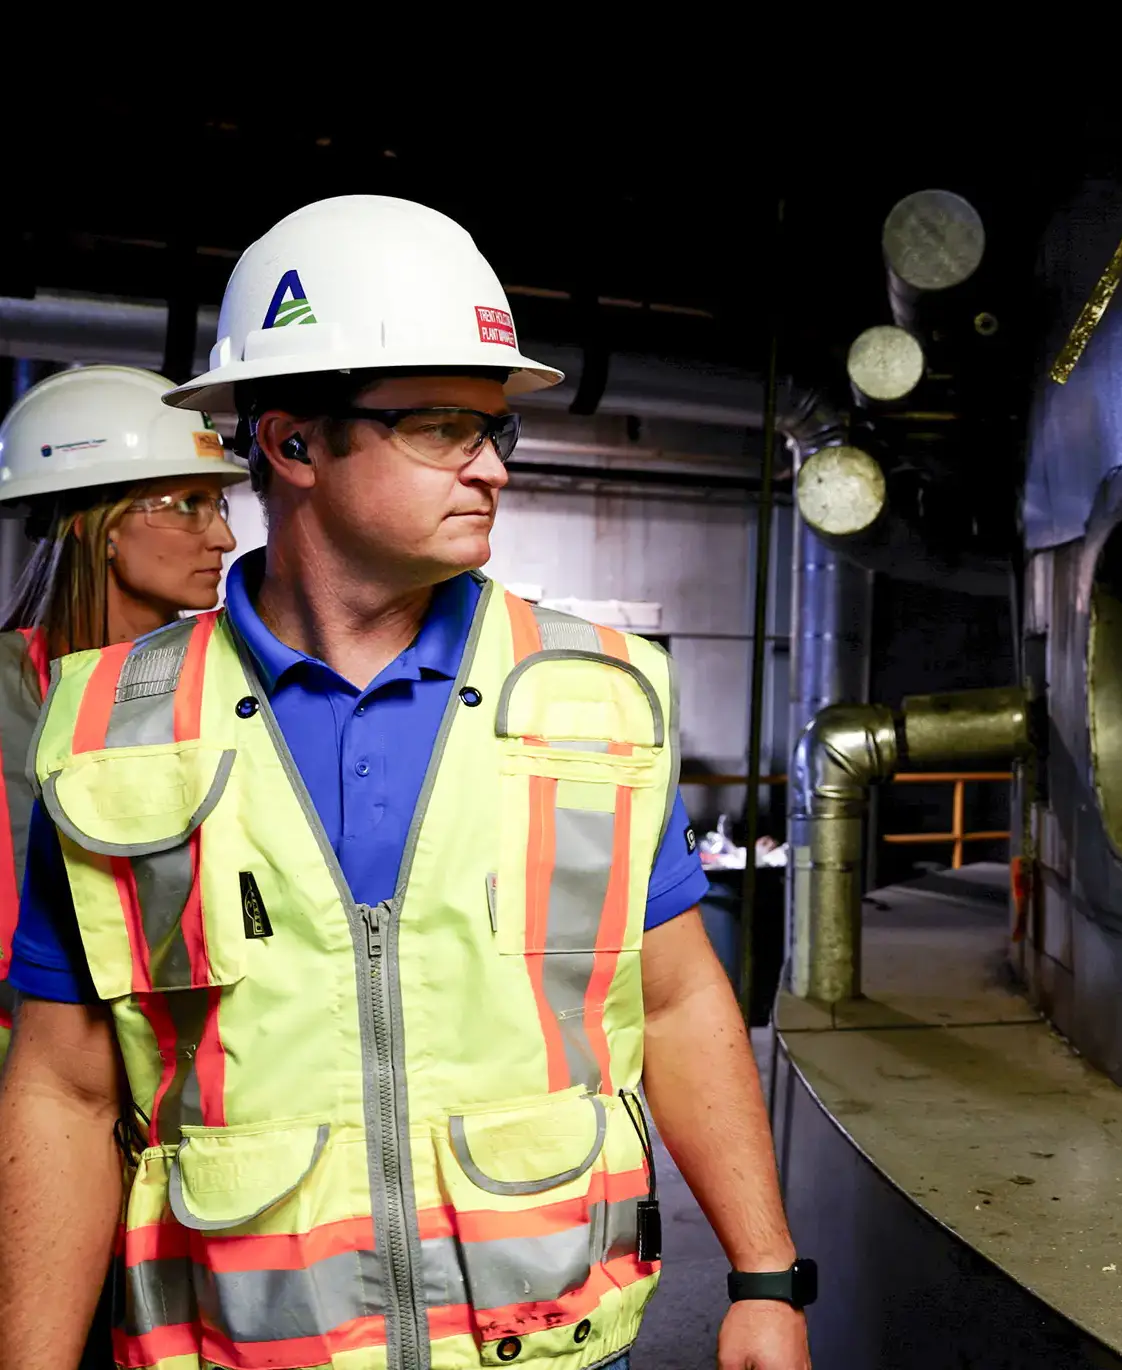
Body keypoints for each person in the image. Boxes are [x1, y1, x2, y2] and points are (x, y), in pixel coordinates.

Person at [0, 196, 813, 1370]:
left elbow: (683, 1003)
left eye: (495, 430)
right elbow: (63, 1092)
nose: (490, 465)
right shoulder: (111, 733)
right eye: (440, 426)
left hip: (549, 1346)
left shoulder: (588, 697)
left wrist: (765, 1279)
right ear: (291, 446)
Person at [0, 363, 245, 1368]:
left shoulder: (220, 701)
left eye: (219, 503)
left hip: (186, 1147)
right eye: (187, 503)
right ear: (100, 521)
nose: (222, 534)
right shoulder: (5, 698)